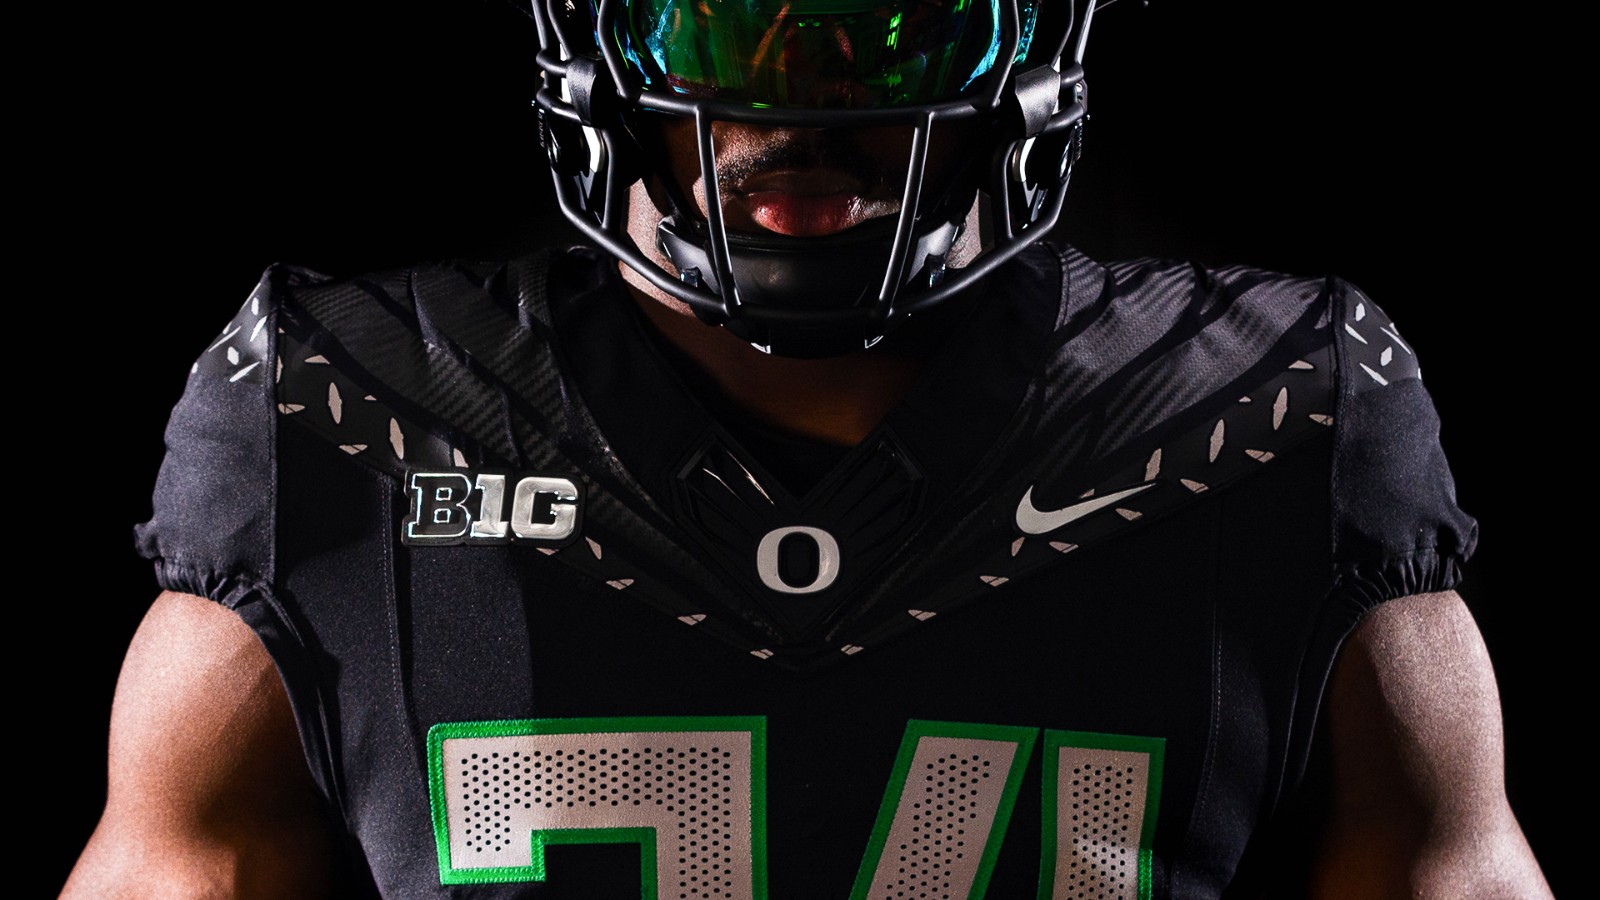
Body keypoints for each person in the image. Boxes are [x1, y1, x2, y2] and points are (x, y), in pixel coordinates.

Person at [63, 0, 1554, 897]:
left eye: (889, 28)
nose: (800, 100)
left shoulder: (1268, 416)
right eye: (719, 23)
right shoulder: (349, 413)